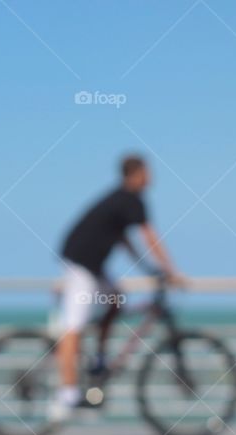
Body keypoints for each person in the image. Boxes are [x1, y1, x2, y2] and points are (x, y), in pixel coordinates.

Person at [53, 155, 184, 418]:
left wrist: (148, 270)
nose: (151, 178)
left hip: (93, 265)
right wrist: (171, 272)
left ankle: (99, 358)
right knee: (73, 327)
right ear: (135, 174)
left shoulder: (122, 202)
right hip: (81, 264)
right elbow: (149, 236)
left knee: (115, 299)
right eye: (148, 172)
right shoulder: (130, 200)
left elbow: (125, 240)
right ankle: (67, 394)